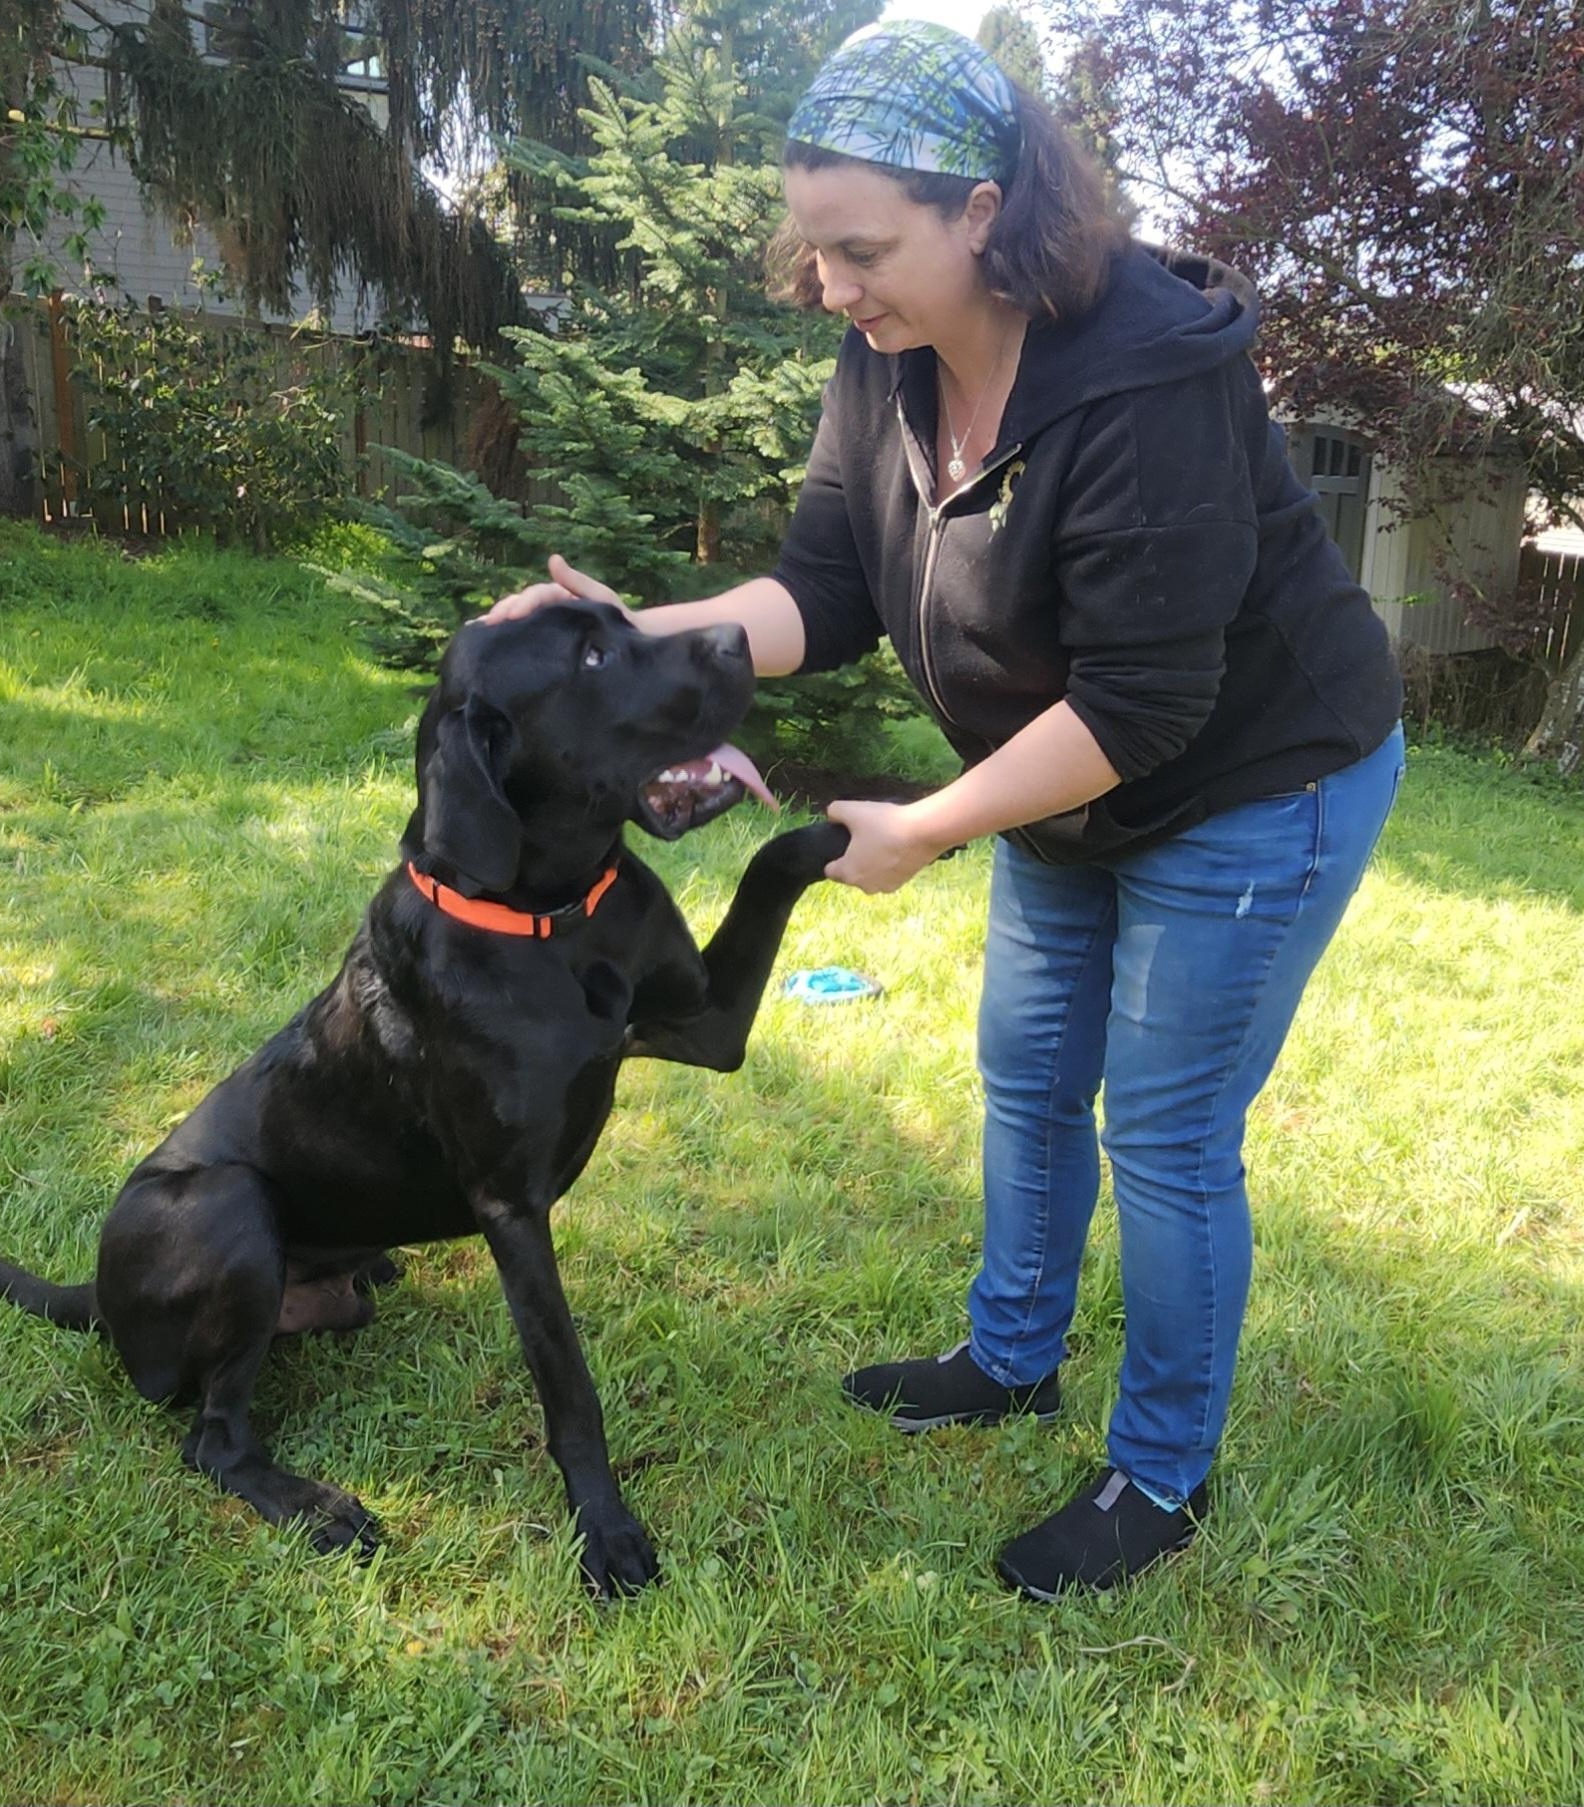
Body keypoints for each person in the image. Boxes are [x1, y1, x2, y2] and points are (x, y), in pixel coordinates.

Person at [487, 19, 1404, 1599]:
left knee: (1169, 1131)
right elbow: (823, 585)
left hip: (1259, 779)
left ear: (981, 208)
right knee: (1029, 1072)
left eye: (862, 249)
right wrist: (641, 647)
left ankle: (1159, 1476)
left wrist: (930, 824)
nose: (832, 288)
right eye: (817, 251)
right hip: (1068, 784)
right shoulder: (893, 360)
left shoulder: (1146, 376)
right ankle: (1010, 1356)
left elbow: (1146, 703)